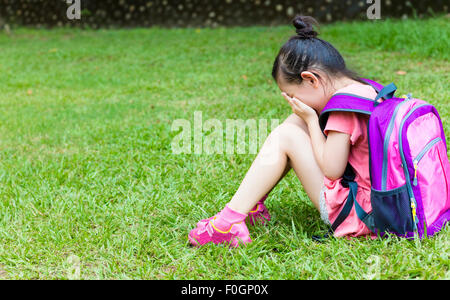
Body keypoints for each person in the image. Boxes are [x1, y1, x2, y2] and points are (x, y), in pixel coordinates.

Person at [188, 15, 377, 247]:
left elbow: (332, 168)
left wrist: (309, 119)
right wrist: (304, 118)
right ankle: (250, 203)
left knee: (286, 135)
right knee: (292, 124)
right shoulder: (365, 88)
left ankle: (227, 224)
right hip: (372, 199)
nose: (294, 102)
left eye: (293, 96)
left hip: (357, 213)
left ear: (310, 80)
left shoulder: (344, 107)